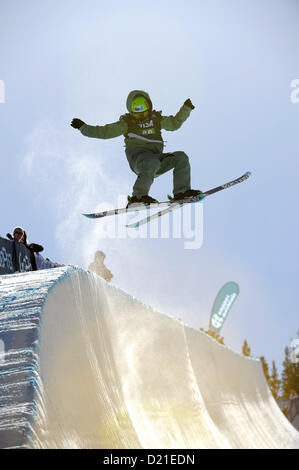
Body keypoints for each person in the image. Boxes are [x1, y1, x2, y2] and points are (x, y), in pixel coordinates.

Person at [71, 90, 203, 206]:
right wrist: (83, 127)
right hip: (139, 160)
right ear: (131, 110)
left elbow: (174, 124)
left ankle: (182, 192)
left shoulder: (156, 120)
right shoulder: (127, 123)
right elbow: (104, 132)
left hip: (157, 160)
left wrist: (186, 109)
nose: (140, 113)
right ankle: (138, 197)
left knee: (180, 157)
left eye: (143, 107)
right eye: (136, 108)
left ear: (149, 106)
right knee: (151, 162)